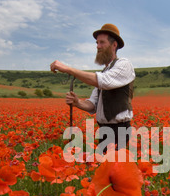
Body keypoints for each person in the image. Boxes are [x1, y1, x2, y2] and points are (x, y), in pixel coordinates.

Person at [50, 23, 135, 153]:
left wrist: (68, 69)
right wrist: (77, 102)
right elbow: (92, 105)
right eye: (97, 43)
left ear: (114, 45)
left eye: (102, 43)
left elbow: (104, 81)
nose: (98, 47)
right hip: (104, 131)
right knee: (104, 169)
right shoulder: (104, 72)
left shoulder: (123, 65)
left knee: (115, 170)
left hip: (119, 131)